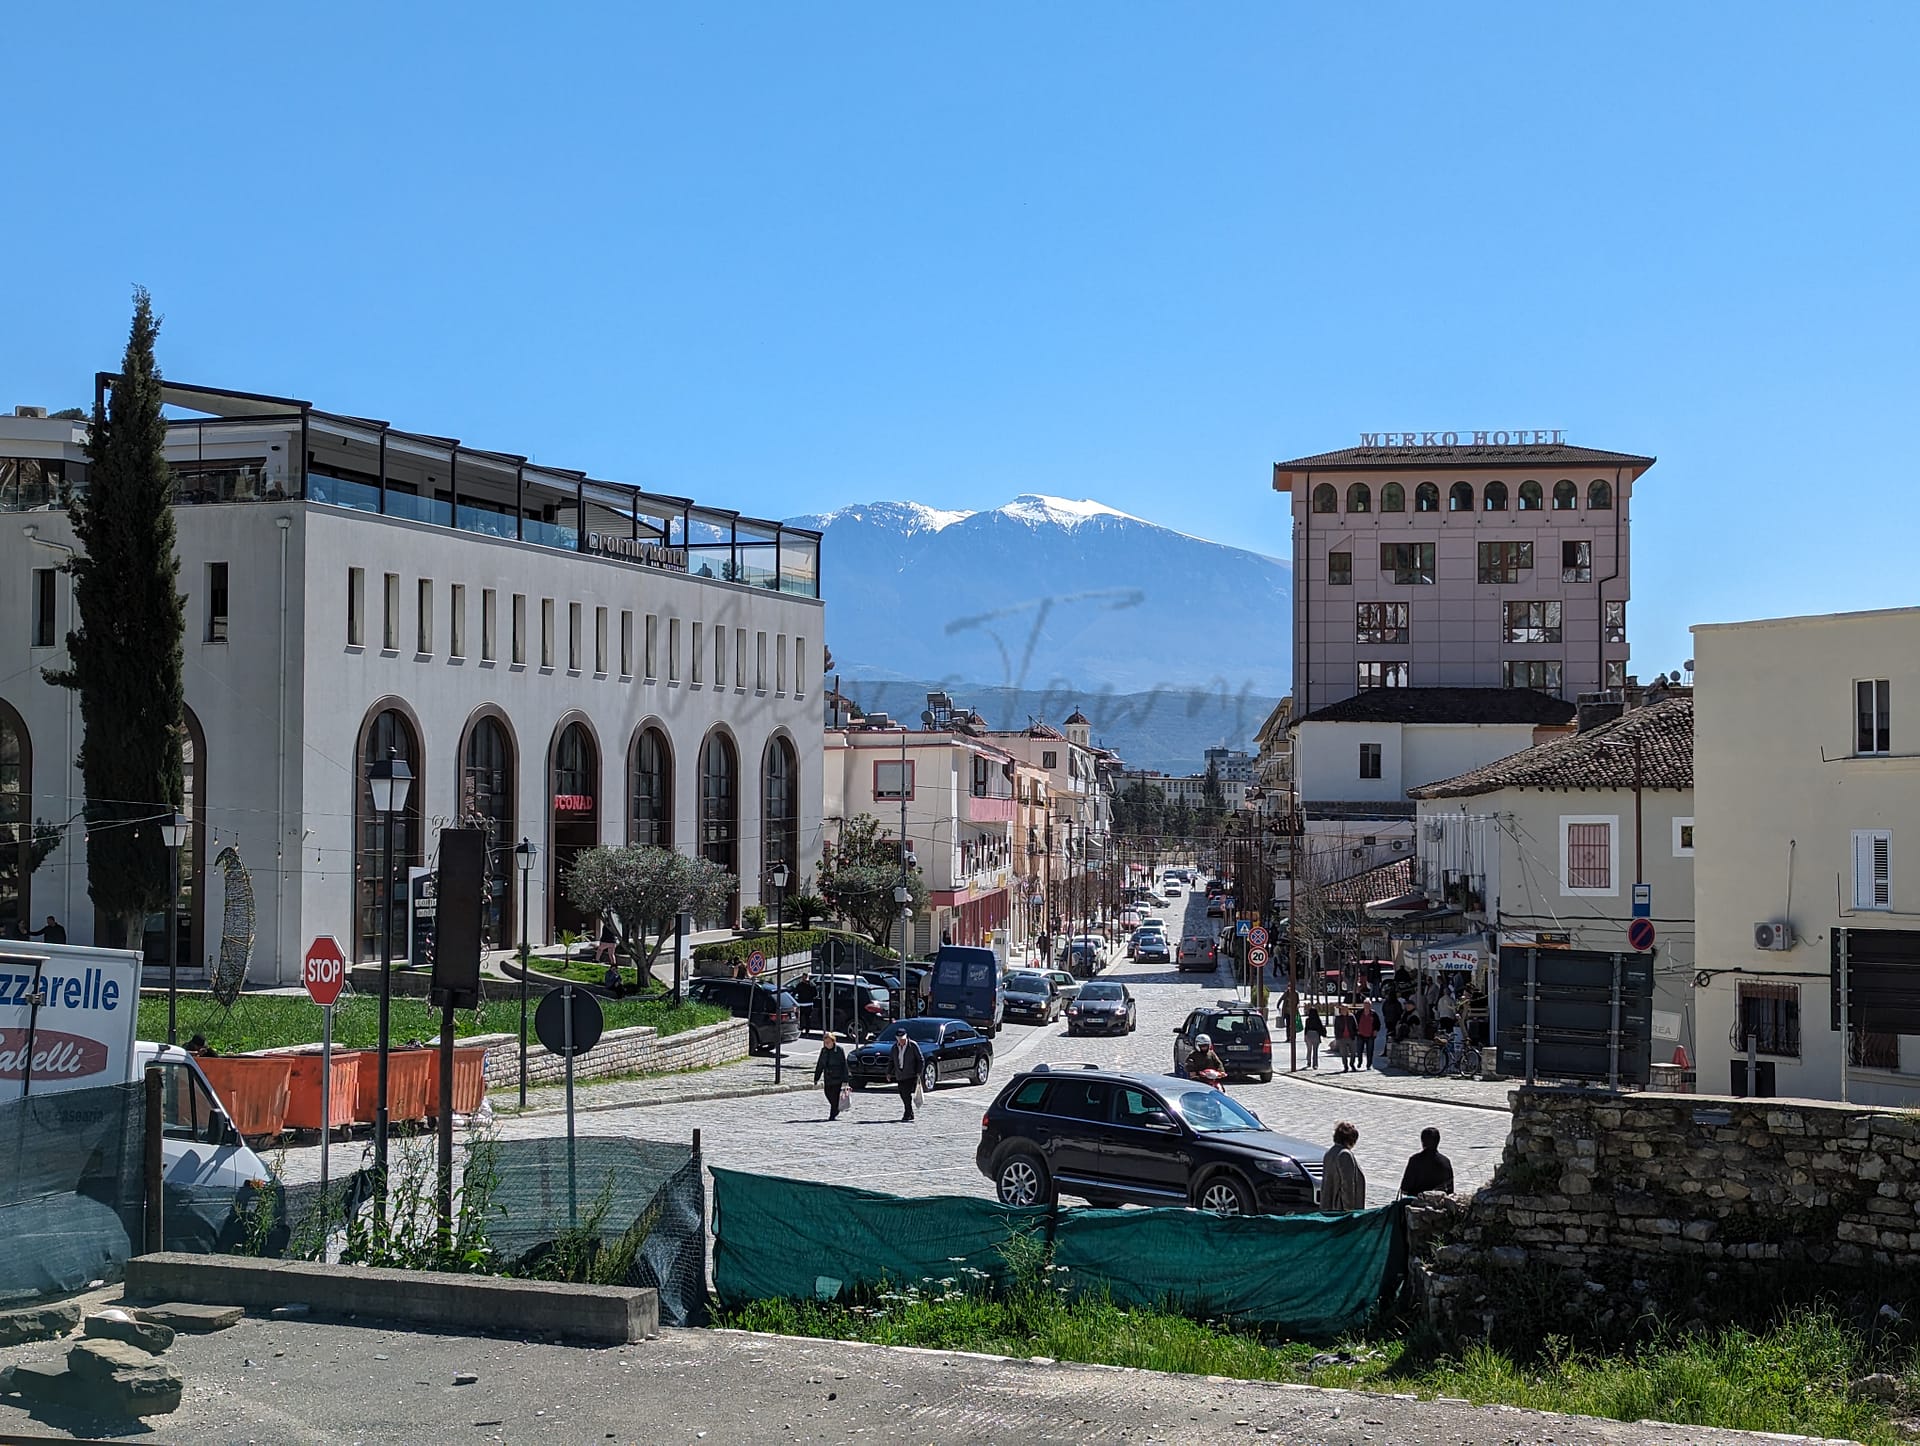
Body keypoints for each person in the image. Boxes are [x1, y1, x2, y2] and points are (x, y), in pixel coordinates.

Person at [1321, 1121, 1366, 1212]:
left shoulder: (1329, 1153)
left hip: (1328, 1208)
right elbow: (1347, 1186)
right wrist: (1349, 1211)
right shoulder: (1345, 1155)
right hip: (1340, 1209)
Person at [1399, 1126, 1455, 1196]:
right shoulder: (1446, 1161)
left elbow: (1404, 1188)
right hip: (1439, 1203)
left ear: (1422, 1142)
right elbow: (1450, 1190)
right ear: (1438, 1141)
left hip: (1416, 1201)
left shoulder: (1415, 1160)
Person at [888, 1028, 925, 1122]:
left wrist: (918, 1072)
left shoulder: (913, 1045)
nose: (901, 1040)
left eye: (903, 1038)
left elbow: (920, 1060)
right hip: (900, 1074)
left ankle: (907, 1113)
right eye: (899, 1039)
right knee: (903, 1094)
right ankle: (910, 1112)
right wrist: (889, 1072)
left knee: (906, 1093)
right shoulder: (894, 1048)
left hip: (910, 1074)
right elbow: (892, 1061)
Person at [814, 1031, 851, 1120]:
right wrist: (816, 1077)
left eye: (828, 1042)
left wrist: (846, 1079)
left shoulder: (839, 1050)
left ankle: (832, 1115)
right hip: (828, 1077)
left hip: (837, 1077)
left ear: (833, 1041)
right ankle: (835, 1110)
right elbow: (820, 1064)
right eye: (825, 1042)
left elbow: (844, 1065)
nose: (826, 1044)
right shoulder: (824, 1051)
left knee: (834, 1097)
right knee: (827, 1093)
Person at [1355, 998, 1378, 1069]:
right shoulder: (1359, 1013)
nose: (1367, 1006)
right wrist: (1356, 1031)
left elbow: (1378, 1024)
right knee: (1359, 1050)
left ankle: (1369, 1064)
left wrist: (1375, 1031)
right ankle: (1359, 1061)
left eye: (1368, 1005)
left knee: (1370, 1051)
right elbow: (1355, 1022)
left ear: (1370, 1006)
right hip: (1360, 1034)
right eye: (1365, 1005)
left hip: (1370, 1035)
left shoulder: (1373, 1014)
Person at [1333, 1005, 1356, 1071]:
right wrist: (1337, 1037)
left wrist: (1354, 1034)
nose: (1344, 1010)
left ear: (1347, 1009)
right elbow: (1336, 1028)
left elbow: (1355, 1026)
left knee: (1353, 1052)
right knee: (1344, 1053)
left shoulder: (1351, 1017)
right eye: (1342, 1009)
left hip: (1350, 1037)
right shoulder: (1338, 1018)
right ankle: (1345, 1066)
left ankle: (1352, 1064)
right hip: (1342, 1038)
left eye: (1345, 1009)